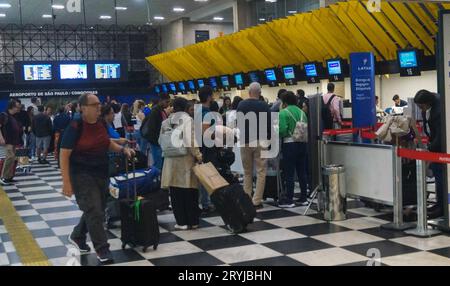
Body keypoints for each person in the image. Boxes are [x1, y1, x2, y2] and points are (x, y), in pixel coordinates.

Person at [61, 93, 134, 264]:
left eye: (99, 104)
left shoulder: (101, 122)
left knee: (97, 208)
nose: (98, 107)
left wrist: (122, 149)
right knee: (94, 210)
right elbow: (64, 155)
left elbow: (105, 142)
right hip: (81, 174)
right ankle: (102, 249)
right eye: (94, 105)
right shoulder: (75, 126)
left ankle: (78, 235)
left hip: (101, 172)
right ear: (83, 108)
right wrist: (66, 182)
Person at [161, 97, 203, 230]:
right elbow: (191, 141)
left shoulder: (166, 122)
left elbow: (160, 140)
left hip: (171, 161)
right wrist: (198, 155)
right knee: (190, 191)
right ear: (185, 108)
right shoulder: (187, 120)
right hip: (186, 160)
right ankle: (193, 221)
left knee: (175, 192)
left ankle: (181, 222)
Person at [236, 82, 271, 208]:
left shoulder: (241, 104)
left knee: (247, 172)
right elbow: (269, 125)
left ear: (249, 92)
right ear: (260, 93)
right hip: (261, 141)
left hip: (245, 140)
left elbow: (238, 123)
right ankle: (256, 201)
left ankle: (246, 198)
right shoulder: (264, 105)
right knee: (261, 171)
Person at [414, 90, 444, 219]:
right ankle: (439, 204)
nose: (420, 109)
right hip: (436, 147)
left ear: (427, 102)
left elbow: (441, 135)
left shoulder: (438, 111)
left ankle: (443, 207)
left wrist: (430, 148)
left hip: (441, 150)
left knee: (441, 177)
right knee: (438, 177)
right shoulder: (430, 105)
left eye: (421, 106)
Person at [278, 91, 309, 208]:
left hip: (290, 144)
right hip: (302, 144)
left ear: (284, 102)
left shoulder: (283, 113)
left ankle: (289, 199)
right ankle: (303, 197)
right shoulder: (302, 113)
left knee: (289, 173)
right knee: (302, 171)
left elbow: (282, 131)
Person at [143, 93, 170, 171]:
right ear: (161, 101)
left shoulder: (161, 111)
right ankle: (156, 181)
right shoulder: (155, 111)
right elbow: (152, 128)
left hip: (160, 142)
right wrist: (157, 141)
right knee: (158, 164)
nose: (168, 105)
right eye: (167, 102)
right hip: (156, 142)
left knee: (160, 164)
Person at [0, 100, 21, 185]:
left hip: (13, 141)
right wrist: (1, 138)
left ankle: (8, 177)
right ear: (12, 107)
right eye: (17, 106)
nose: (18, 108)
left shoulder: (12, 116)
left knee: (13, 158)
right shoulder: (4, 115)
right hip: (8, 141)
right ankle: (3, 177)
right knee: (10, 157)